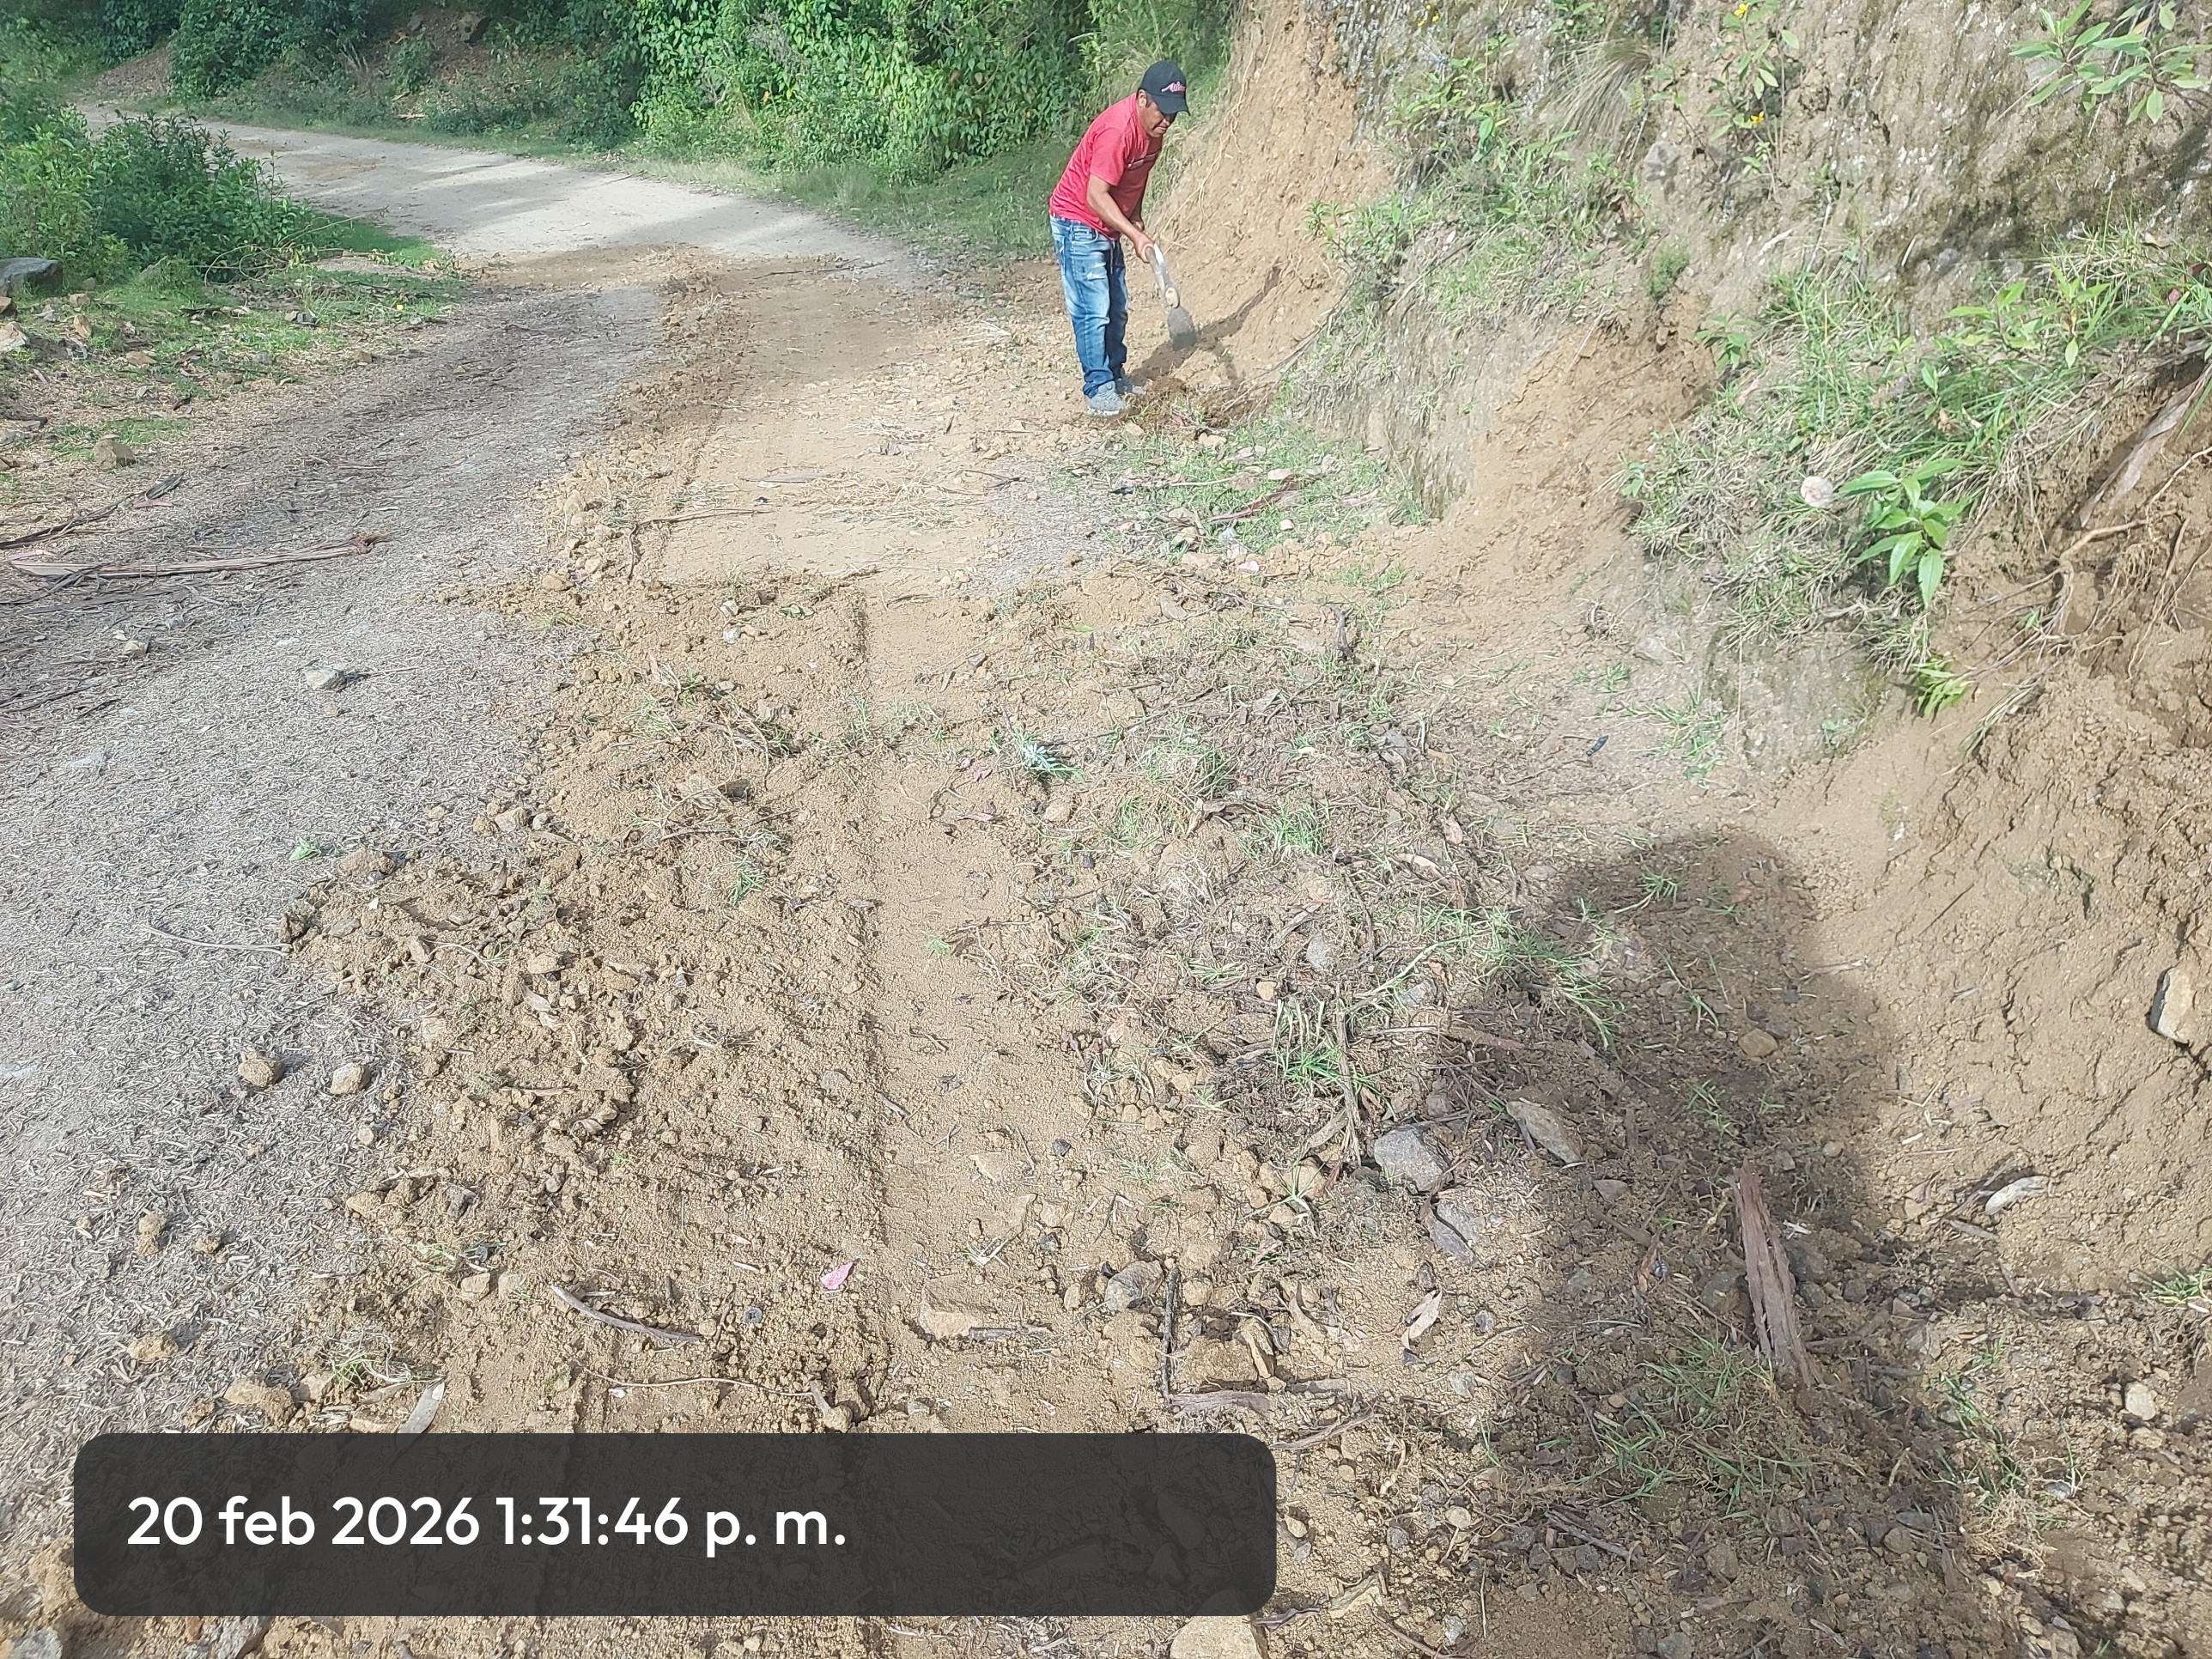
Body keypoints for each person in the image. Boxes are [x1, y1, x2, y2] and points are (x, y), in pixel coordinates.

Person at [1047, 59, 1188, 417]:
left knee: (1117, 307)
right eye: (1162, 111)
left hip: (1107, 223)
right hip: (1077, 221)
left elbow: (1136, 176)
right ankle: (1098, 389)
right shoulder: (1118, 130)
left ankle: (1115, 376)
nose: (1167, 121)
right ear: (1142, 99)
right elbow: (1095, 195)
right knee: (1093, 309)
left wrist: (1135, 215)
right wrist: (1134, 234)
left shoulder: (1155, 133)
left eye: (1173, 113)